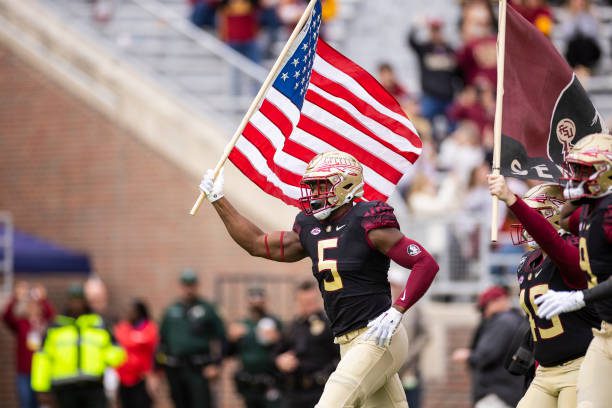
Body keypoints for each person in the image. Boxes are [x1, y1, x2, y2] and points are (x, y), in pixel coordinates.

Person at [199, 150, 439, 407]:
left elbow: (425, 263)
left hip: (378, 336)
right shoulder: (310, 228)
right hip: (346, 340)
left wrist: (397, 309)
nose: (314, 193)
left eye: (321, 185)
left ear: (346, 184)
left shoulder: (367, 221)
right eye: (312, 186)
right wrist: (218, 199)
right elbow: (257, 244)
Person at [488, 175, 600, 407]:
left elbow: (554, 244)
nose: (526, 224)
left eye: (535, 215)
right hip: (544, 371)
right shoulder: (527, 262)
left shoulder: (572, 253)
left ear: (555, 215)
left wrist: (511, 198)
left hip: (579, 365)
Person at [533, 133, 612, 408]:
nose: (576, 176)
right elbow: (564, 219)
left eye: (585, 169)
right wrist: (578, 194)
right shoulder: (593, 208)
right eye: (575, 168)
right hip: (605, 332)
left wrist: (580, 298)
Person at [31, 283, 125, 408]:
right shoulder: (56, 327)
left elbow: (116, 350)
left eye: (79, 300)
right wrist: (41, 387)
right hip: (64, 387)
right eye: (73, 300)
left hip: (93, 386)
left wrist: (105, 359)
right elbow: (43, 358)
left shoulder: (98, 324)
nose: (76, 304)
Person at [158, 269, 226, 408]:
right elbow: (162, 340)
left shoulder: (207, 309)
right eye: (186, 285)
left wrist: (216, 364)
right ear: (181, 286)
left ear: (196, 286)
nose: (189, 289)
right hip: (175, 368)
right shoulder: (171, 310)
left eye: (192, 284)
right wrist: (159, 368)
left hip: (198, 368)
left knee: (201, 403)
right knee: (179, 403)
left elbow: (222, 338)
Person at [452, 286, 525, 408]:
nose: (484, 313)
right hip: (510, 393)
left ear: (498, 301)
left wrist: (468, 356)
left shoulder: (503, 322)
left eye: (485, 307)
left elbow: (485, 355)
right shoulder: (514, 319)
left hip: (498, 395)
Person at [274, 281, 339, 408]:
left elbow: (341, 356)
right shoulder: (292, 327)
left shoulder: (330, 326)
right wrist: (281, 360)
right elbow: (277, 352)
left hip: (320, 390)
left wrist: (325, 374)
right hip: (293, 391)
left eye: (311, 302)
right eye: (304, 302)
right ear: (297, 302)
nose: (308, 306)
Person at [228, 286, 283, 408]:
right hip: (249, 382)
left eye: (259, 299)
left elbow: (284, 347)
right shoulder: (242, 324)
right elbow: (229, 352)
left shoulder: (274, 322)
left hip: (270, 382)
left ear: (265, 301)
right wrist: (231, 339)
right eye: (253, 299)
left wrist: (278, 338)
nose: (256, 303)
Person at [2, 281, 54, 408]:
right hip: (24, 372)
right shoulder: (21, 323)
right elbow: (6, 317)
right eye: (29, 305)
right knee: (26, 403)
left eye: (35, 305)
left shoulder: (43, 323)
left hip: (42, 371)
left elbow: (52, 315)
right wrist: (16, 297)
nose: (32, 307)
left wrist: (43, 299)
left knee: (41, 404)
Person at [388, 267, 429, 408]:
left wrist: (409, 354)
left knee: (411, 401)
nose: (392, 288)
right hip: (387, 368)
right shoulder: (382, 306)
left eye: (395, 285)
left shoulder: (414, 307)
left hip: (409, 369)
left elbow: (425, 334)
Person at [407, 18, 458, 125]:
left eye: (438, 30)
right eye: (433, 30)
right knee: (426, 125)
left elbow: (458, 72)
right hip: (430, 96)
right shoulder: (425, 49)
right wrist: (415, 27)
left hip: (448, 97)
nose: (436, 33)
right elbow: (411, 42)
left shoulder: (449, 50)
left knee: (453, 125)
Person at [114, 299, 159, 408]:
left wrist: (133, 339)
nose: (129, 314)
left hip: (142, 377)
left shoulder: (149, 326)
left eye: (133, 311)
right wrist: (136, 339)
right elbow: (122, 339)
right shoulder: (123, 326)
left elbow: (150, 340)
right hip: (124, 378)